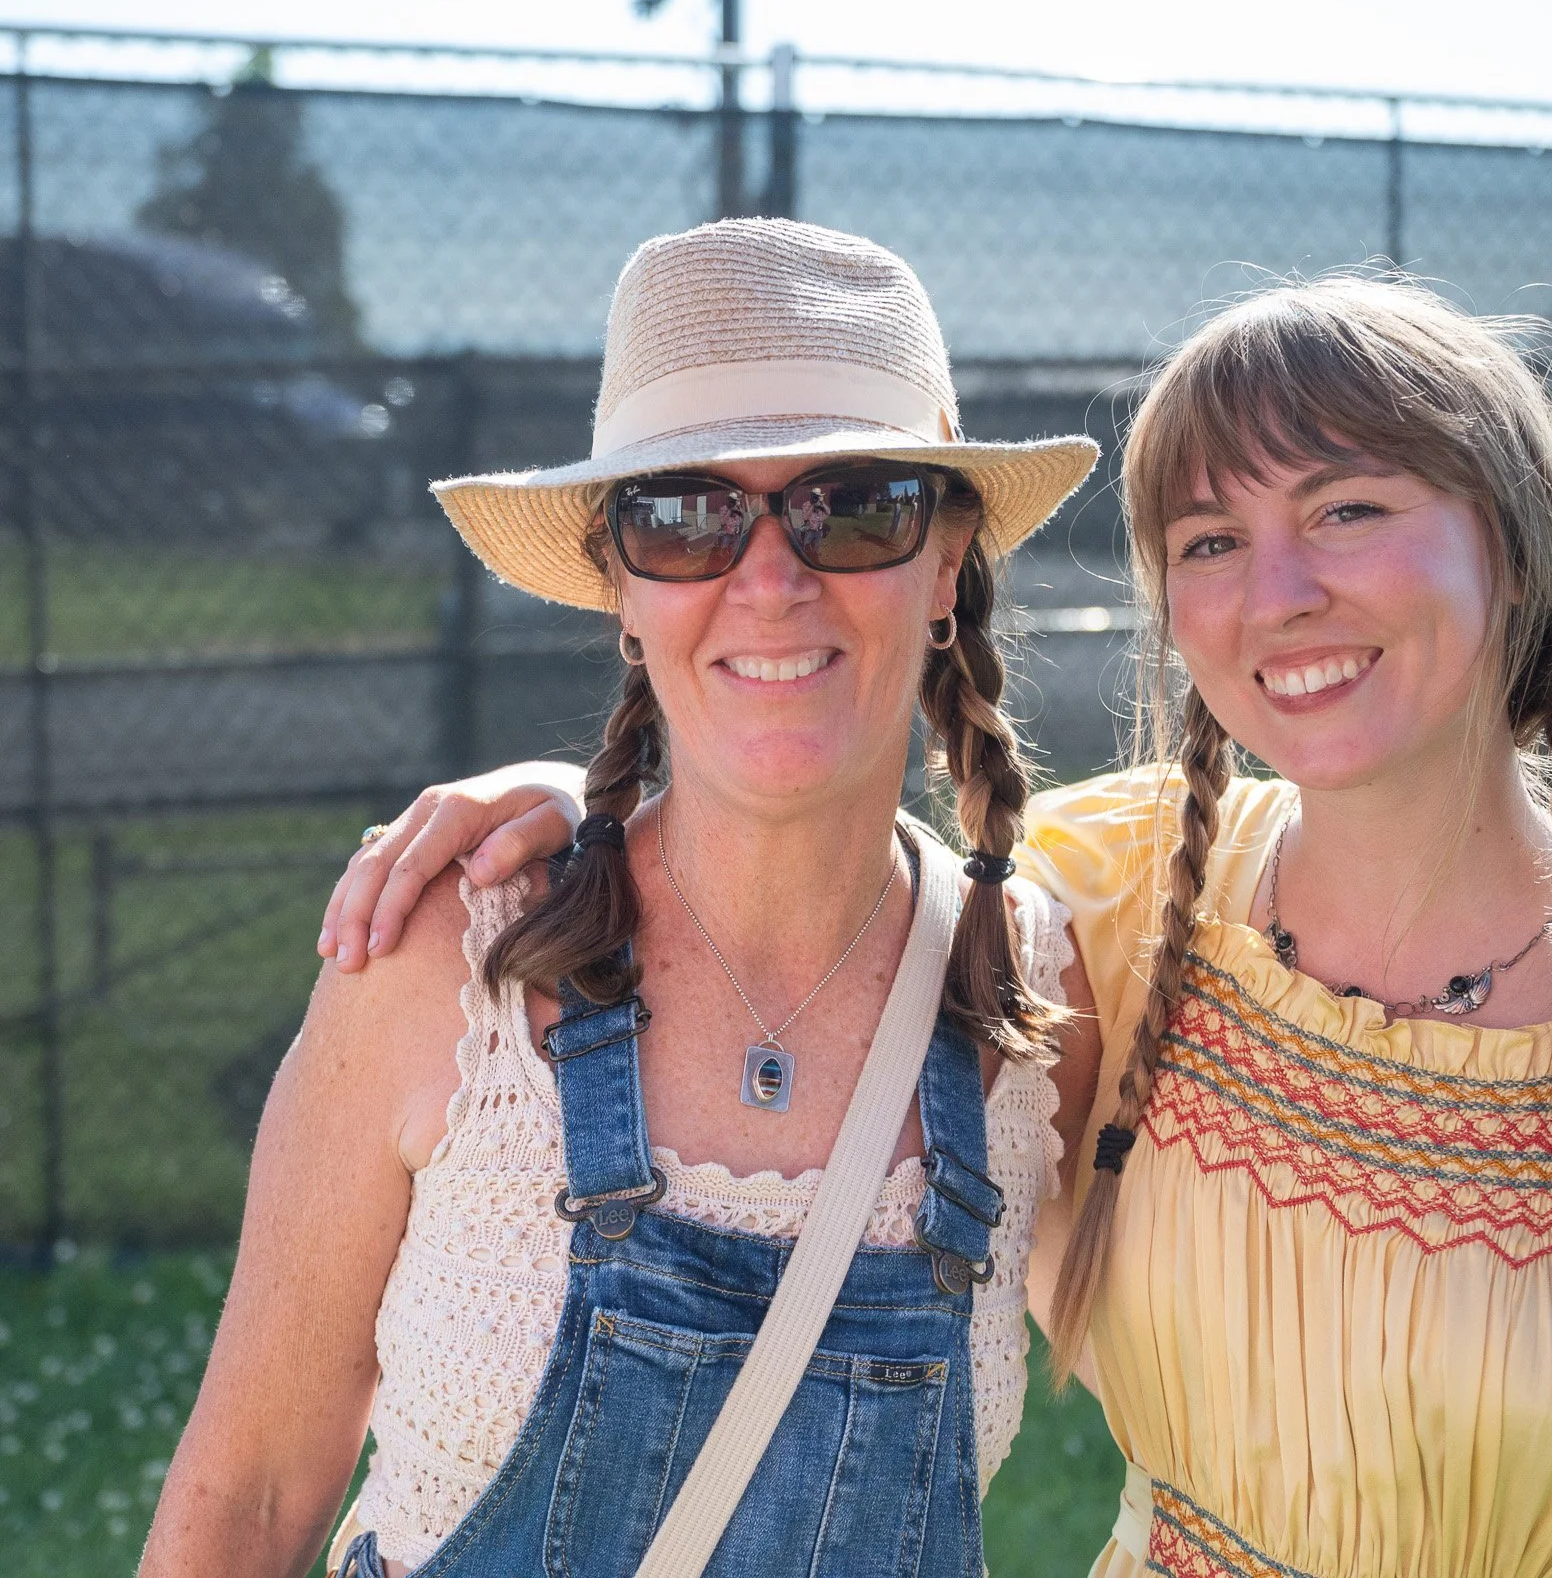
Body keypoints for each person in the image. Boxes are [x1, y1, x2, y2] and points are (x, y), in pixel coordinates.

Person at [326, 274, 1552, 1578]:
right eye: (1210, 541)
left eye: (1347, 508)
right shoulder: (1118, 911)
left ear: (1516, 542)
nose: (1278, 594)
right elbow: (803, 869)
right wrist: (575, 797)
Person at [139, 218, 1100, 1578]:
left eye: (856, 505)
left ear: (946, 564)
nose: (770, 580)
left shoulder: (1033, 1000)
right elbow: (242, 1506)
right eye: (688, 516)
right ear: (621, 588)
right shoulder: (447, 966)